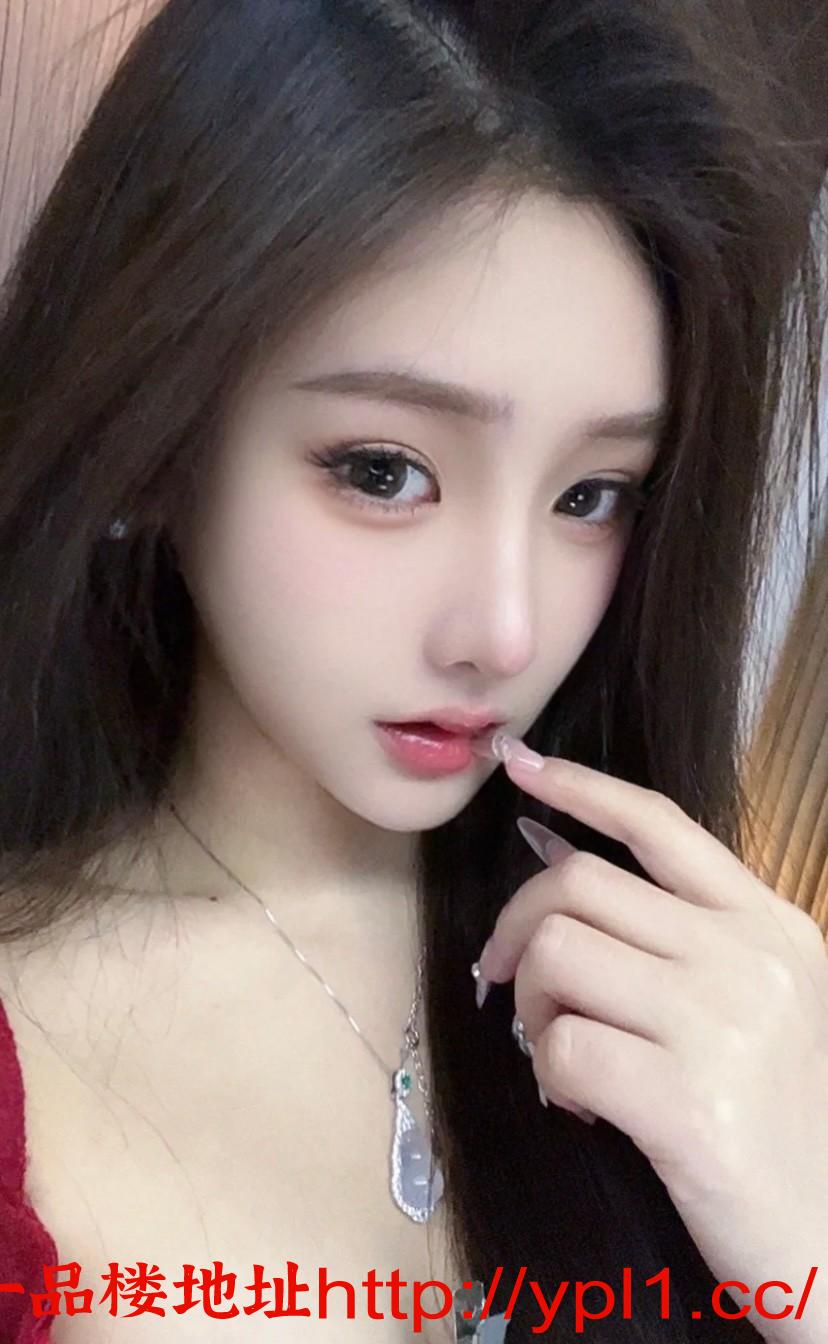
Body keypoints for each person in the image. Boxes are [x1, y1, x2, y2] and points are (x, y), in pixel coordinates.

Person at [0, 1, 826, 1341]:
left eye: (593, 495)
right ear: (153, 441)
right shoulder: (28, 1059)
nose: (506, 631)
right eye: (385, 471)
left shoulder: (695, 1001)